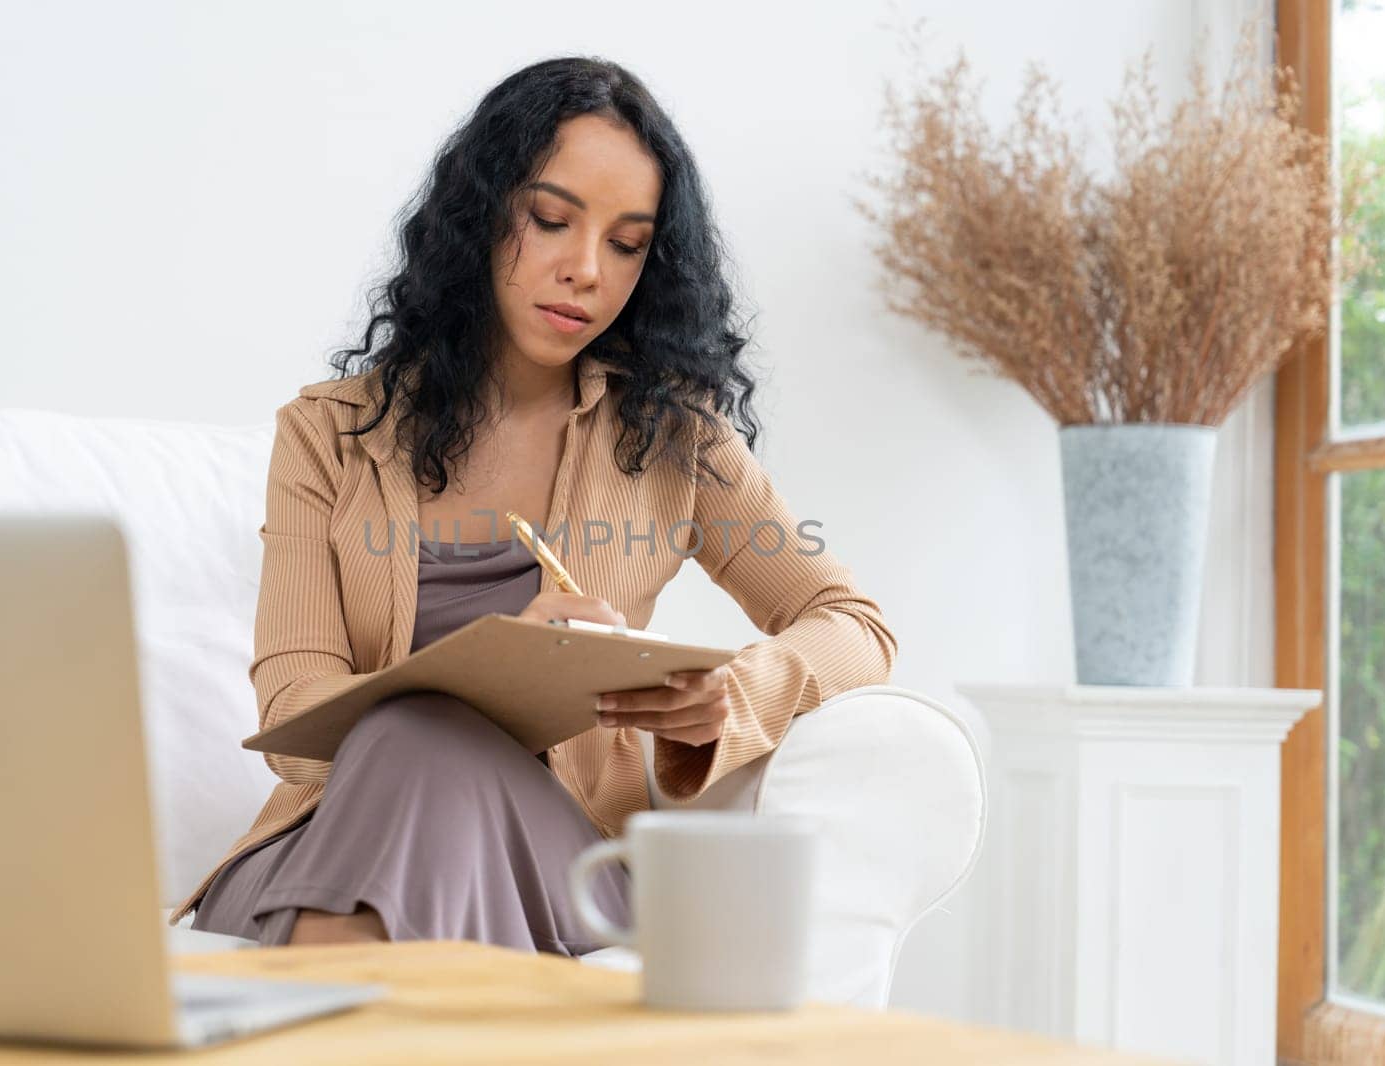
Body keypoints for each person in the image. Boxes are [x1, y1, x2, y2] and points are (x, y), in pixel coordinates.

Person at [171, 56, 899, 954]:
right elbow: (294, 711)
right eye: (551, 220)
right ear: (479, 215)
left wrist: (731, 693)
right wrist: (489, 674)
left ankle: (331, 1001)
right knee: (416, 730)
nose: (586, 270)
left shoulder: (674, 439)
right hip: (334, 828)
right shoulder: (328, 435)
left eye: (627, 244)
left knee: (416, 748)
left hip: (551, 852)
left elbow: (854, 625)